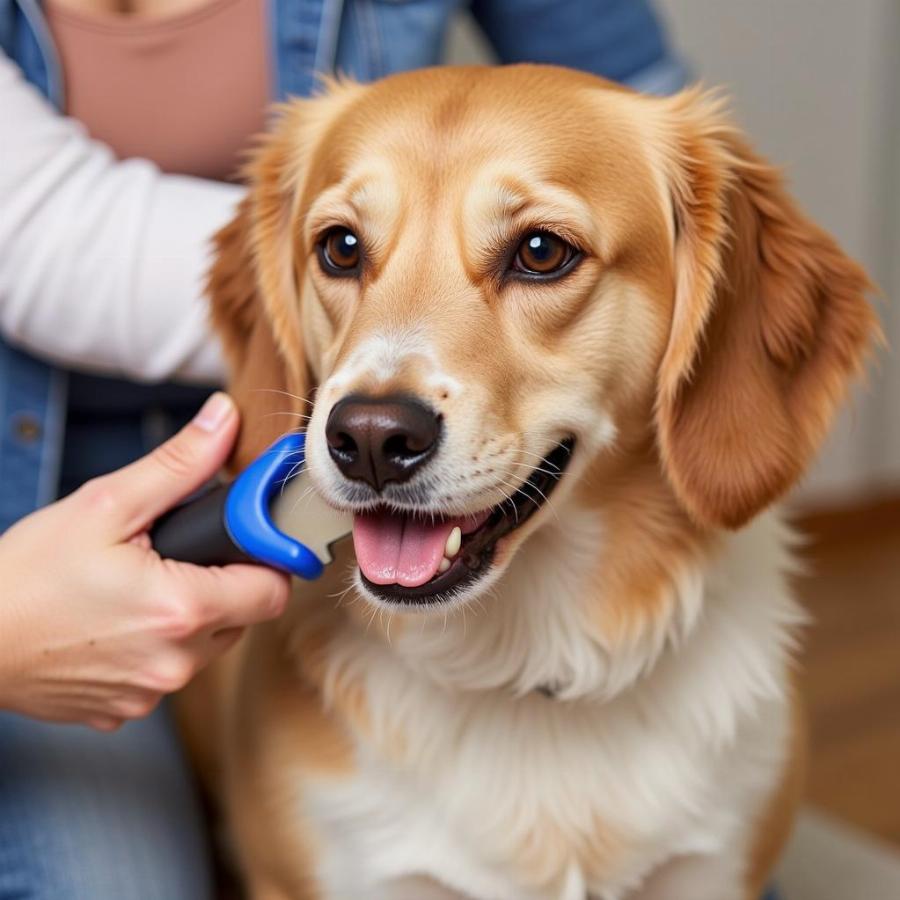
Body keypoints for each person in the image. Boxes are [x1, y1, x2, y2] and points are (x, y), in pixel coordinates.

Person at [0, 1, 686, 897]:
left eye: (541, 251)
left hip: (278, 432)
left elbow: (654, 118)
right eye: (344, 246)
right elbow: (35, 227)